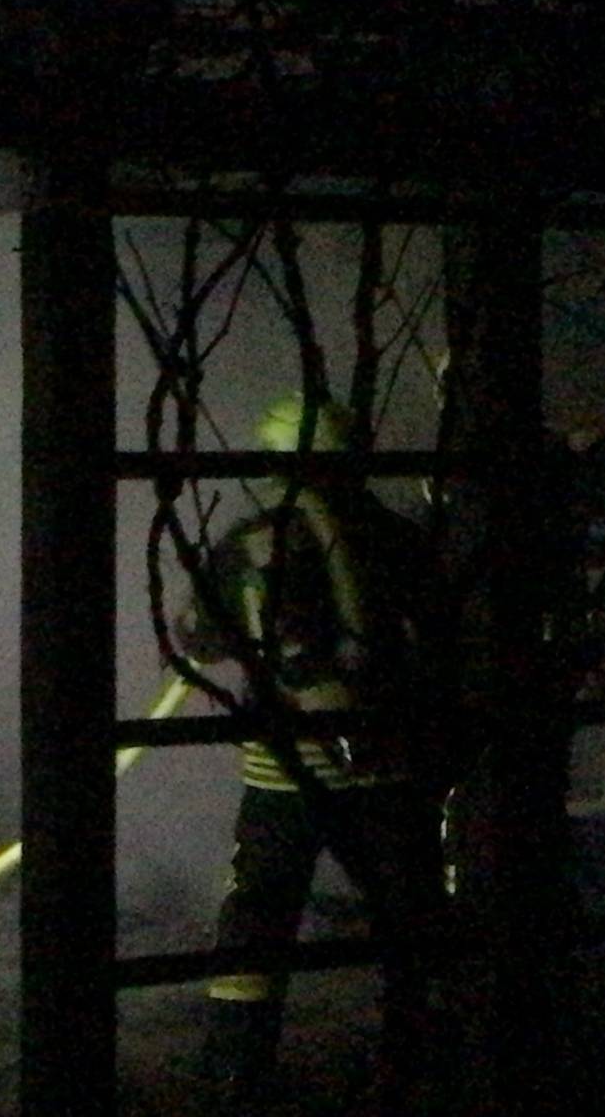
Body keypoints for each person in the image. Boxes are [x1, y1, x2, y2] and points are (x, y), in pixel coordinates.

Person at [177, 395, 456, 1106]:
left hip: (283, 776)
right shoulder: (398, 537)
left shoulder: (254, 542)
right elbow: (443, 640)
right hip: (388, 768)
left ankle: (235, 1069)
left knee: (258, 915)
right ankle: (415, 1062)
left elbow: (196, 635)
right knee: (408, 916)